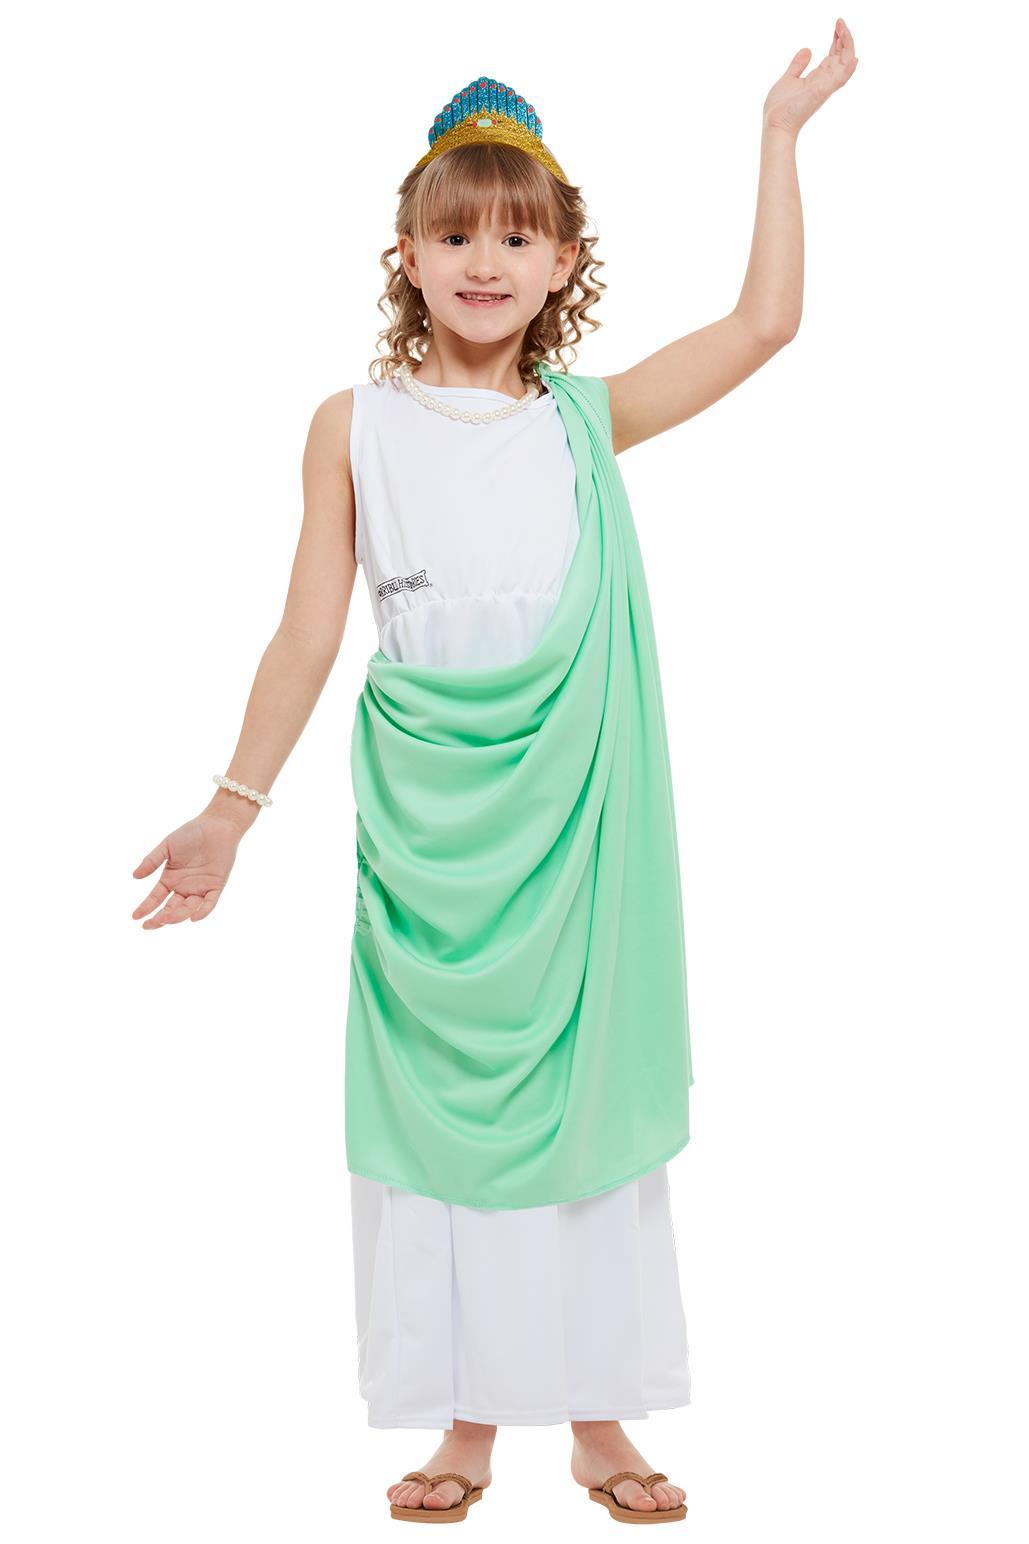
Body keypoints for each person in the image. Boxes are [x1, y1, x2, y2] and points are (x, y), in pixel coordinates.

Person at [131, 35, 858, 1527]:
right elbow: (309, 630)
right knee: (440, 1118)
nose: (484, 261)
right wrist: (230, 811)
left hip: (574, 824)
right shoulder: (355, 426)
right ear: (406, 255)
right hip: (433, 835)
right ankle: (464, 1425)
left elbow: (765, 325)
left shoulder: (585, 418)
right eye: (455, 233)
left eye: (516, 236)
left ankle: (597, 1422)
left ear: (562, 261)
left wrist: (779, 136)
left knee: (583, 1107)